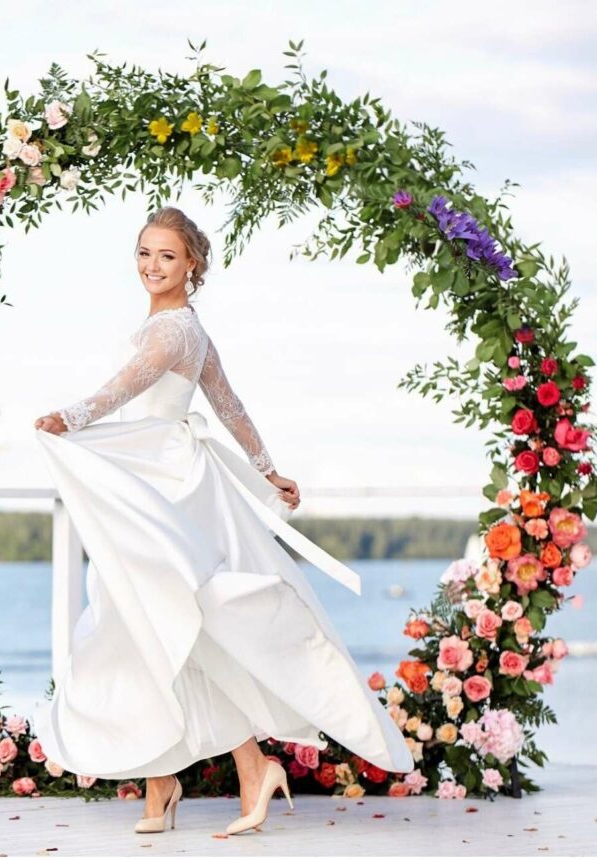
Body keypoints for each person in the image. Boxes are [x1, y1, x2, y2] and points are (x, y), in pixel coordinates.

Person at [33, 206, 414, 836]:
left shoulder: (173, 332)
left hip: (167, 489)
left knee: (166, 621)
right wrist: (266, 469)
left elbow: (123, 390)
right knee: (149, 624)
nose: (152, 265)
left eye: (167, 256)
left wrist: (68, 419)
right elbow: (228, 404)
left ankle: (232, 771)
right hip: (157, 477)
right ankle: (175, 780)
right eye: (144, 253)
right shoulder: (186, 327)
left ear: (192, 265)